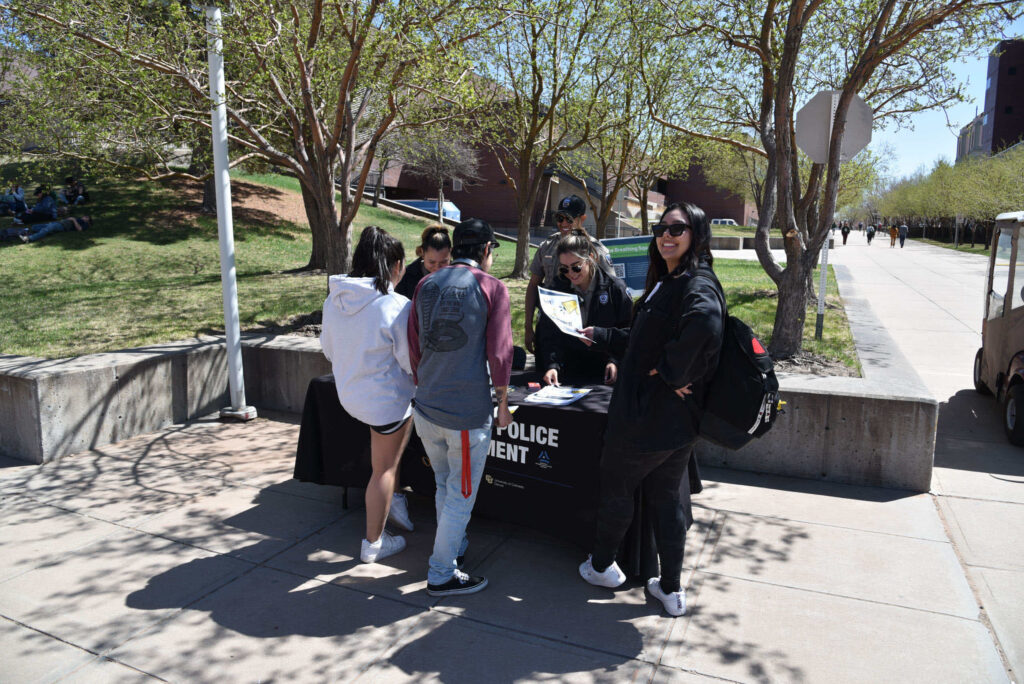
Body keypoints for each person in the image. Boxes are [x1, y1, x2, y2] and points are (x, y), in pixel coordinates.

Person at [578, 201, 724, 617]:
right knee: (665, 500)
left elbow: (708, 322)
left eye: (677, 229)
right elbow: (646, 341)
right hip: (670, 424)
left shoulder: (697, 281)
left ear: (696, 234)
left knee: (618, 490)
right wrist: (604, 334)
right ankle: (671, 589)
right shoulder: (670, 279)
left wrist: (674, 373)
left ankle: (602, 566)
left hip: (647, 420)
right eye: (662, 228)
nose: (666, 235)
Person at [408, 217, 514, 597]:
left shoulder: (424, 283)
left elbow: (414, 347)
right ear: (486, 250)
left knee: (444, 484)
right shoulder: (492, 287)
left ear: (455, 248)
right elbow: (500, 354)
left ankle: (452, 546)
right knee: (461, 494)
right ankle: (441, 571)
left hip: (427, 406)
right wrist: (503, 403)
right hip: (464, 415)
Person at [320, 225, 417, 564]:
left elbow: (329, 350)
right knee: (384, 469)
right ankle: (373, 543)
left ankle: (395, 502)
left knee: (386, 461)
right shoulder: (396, 306)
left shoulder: (335, 300)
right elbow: (409, 362)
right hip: (385, 403)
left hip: (349, 395)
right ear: (397, 266)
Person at [536, 232, 632, 386]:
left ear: (591, 258)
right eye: (564, 269)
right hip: (568, 372)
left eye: (576, 267)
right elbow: (549, 333)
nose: (571, 274)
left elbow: (628, 331)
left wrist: (615, 361)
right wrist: (552, 365)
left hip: (604, 374)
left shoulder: (615, 289)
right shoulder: (558, 288)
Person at [524, 194, 612, 357]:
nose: (563, 224)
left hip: (583, 329)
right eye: (559, 218)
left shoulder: (595, 250)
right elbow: (533, 285)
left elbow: (611, 290)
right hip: (549, 327)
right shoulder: (547, 247)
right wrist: (528, 327)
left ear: (582, 218)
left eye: (569, 219)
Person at [395, 224, 452, 298]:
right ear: (422, 253)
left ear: (451, 252)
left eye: (443, 262)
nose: (437, 268)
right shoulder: (405, 278)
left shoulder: (459, 276)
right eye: (432, 262)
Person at [18, 215, 92, 243]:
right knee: (34, 227)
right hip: (58, 223)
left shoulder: (84, 224)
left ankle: (29, 238)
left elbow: (80, 229)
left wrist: (73, 220)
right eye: (85, 216)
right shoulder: (79, 219)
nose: (84, 217)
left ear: (88, 221)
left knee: (45, 230)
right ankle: (48, 232)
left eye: (86, 217)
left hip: (62, 226)